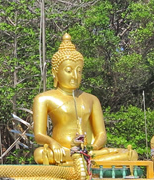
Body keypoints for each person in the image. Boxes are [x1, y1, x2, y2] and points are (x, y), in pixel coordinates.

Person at [32, 34, 136, 165]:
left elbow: (101, 134)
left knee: (130, 154)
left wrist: (92, 148)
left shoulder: (91, 99)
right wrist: (52, 143)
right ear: (55, 72)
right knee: (41, 154)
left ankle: (82, 160)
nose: (75, 76)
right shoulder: (44, 98)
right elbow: (39, 135)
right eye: (68, 71)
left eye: (79, 71)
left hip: (90, 151)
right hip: (63, 151)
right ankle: (85, 160)